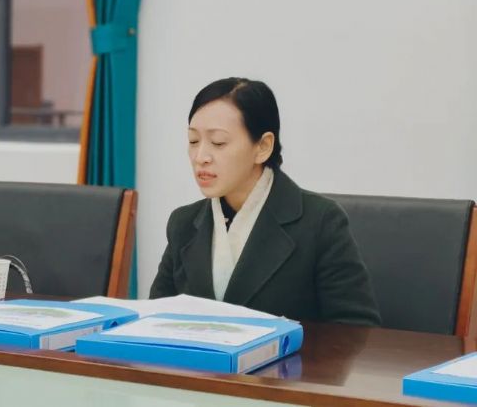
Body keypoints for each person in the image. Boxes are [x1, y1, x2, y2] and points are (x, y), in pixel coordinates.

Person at [149, 77, 380, 326]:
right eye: (193, 141)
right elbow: (155, 320)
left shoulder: (321, 222)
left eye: (218, 142)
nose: (200, 157)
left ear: (263, 147)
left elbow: (356, 331)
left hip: (293, 354)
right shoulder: (183, 223)